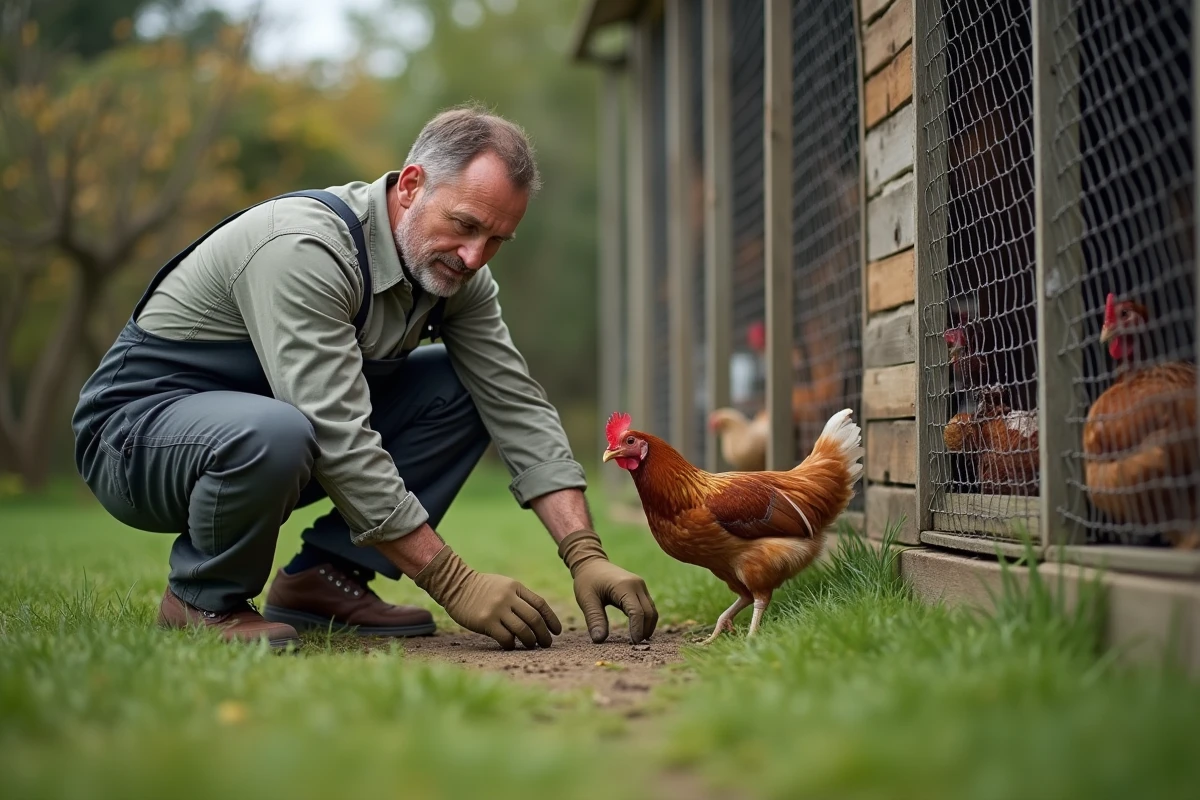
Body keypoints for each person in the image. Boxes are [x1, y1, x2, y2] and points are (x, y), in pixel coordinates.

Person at [71, 103, 658, 652]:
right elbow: (336, 433)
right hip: (134, 440)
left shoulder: (453, 272)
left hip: (266, 437)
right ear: (410, 185)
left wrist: (585, 554)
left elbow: (515, 403)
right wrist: (453, 582)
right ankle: (201, 601)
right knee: (277, 431)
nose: (476, 257)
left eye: (497, 240)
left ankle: (325, 580)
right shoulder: (305, 249)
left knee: (461, 388)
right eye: (465, 224)